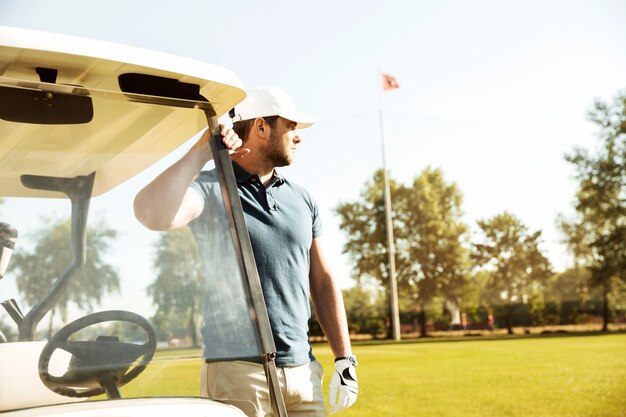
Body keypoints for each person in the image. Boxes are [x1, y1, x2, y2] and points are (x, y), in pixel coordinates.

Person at [134, 86, 357, 417]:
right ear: (261, 127)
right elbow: (151, 213)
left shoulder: (302, 199)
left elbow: (323, 281)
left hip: (302, 371)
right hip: (237, 374)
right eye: (291, 126)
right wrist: (201, 151)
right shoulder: (212, 186)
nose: (298, 137)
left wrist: (344, 358)